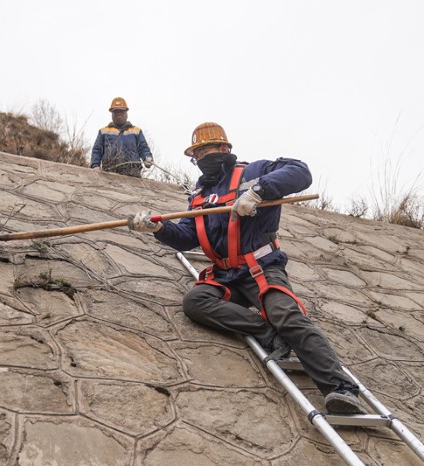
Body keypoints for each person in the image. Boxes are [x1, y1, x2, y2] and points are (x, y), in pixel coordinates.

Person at [126, 122, 365, 415]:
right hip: (226, 274)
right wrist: (158, 228)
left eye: (206, 149)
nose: (202, 157)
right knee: (195, 302)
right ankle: (267, 334)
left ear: (224, 149)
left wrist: (259, 192)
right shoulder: (199, 197)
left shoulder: (253, 172)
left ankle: (340, 388)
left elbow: (300, 172)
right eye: (197, 153)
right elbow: (187, 237)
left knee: (286, 315)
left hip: (261, 266)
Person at [90, 97, 154, 178]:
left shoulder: (136, 131)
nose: (118, 115)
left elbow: (143, 148)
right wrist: (95, 165)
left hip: (133, 173)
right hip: (109, 172)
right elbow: (97, 150)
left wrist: (147, 158)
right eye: (116, 112)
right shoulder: (103, 132)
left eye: (121, 112)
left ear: (126, 113)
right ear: (112, 114)